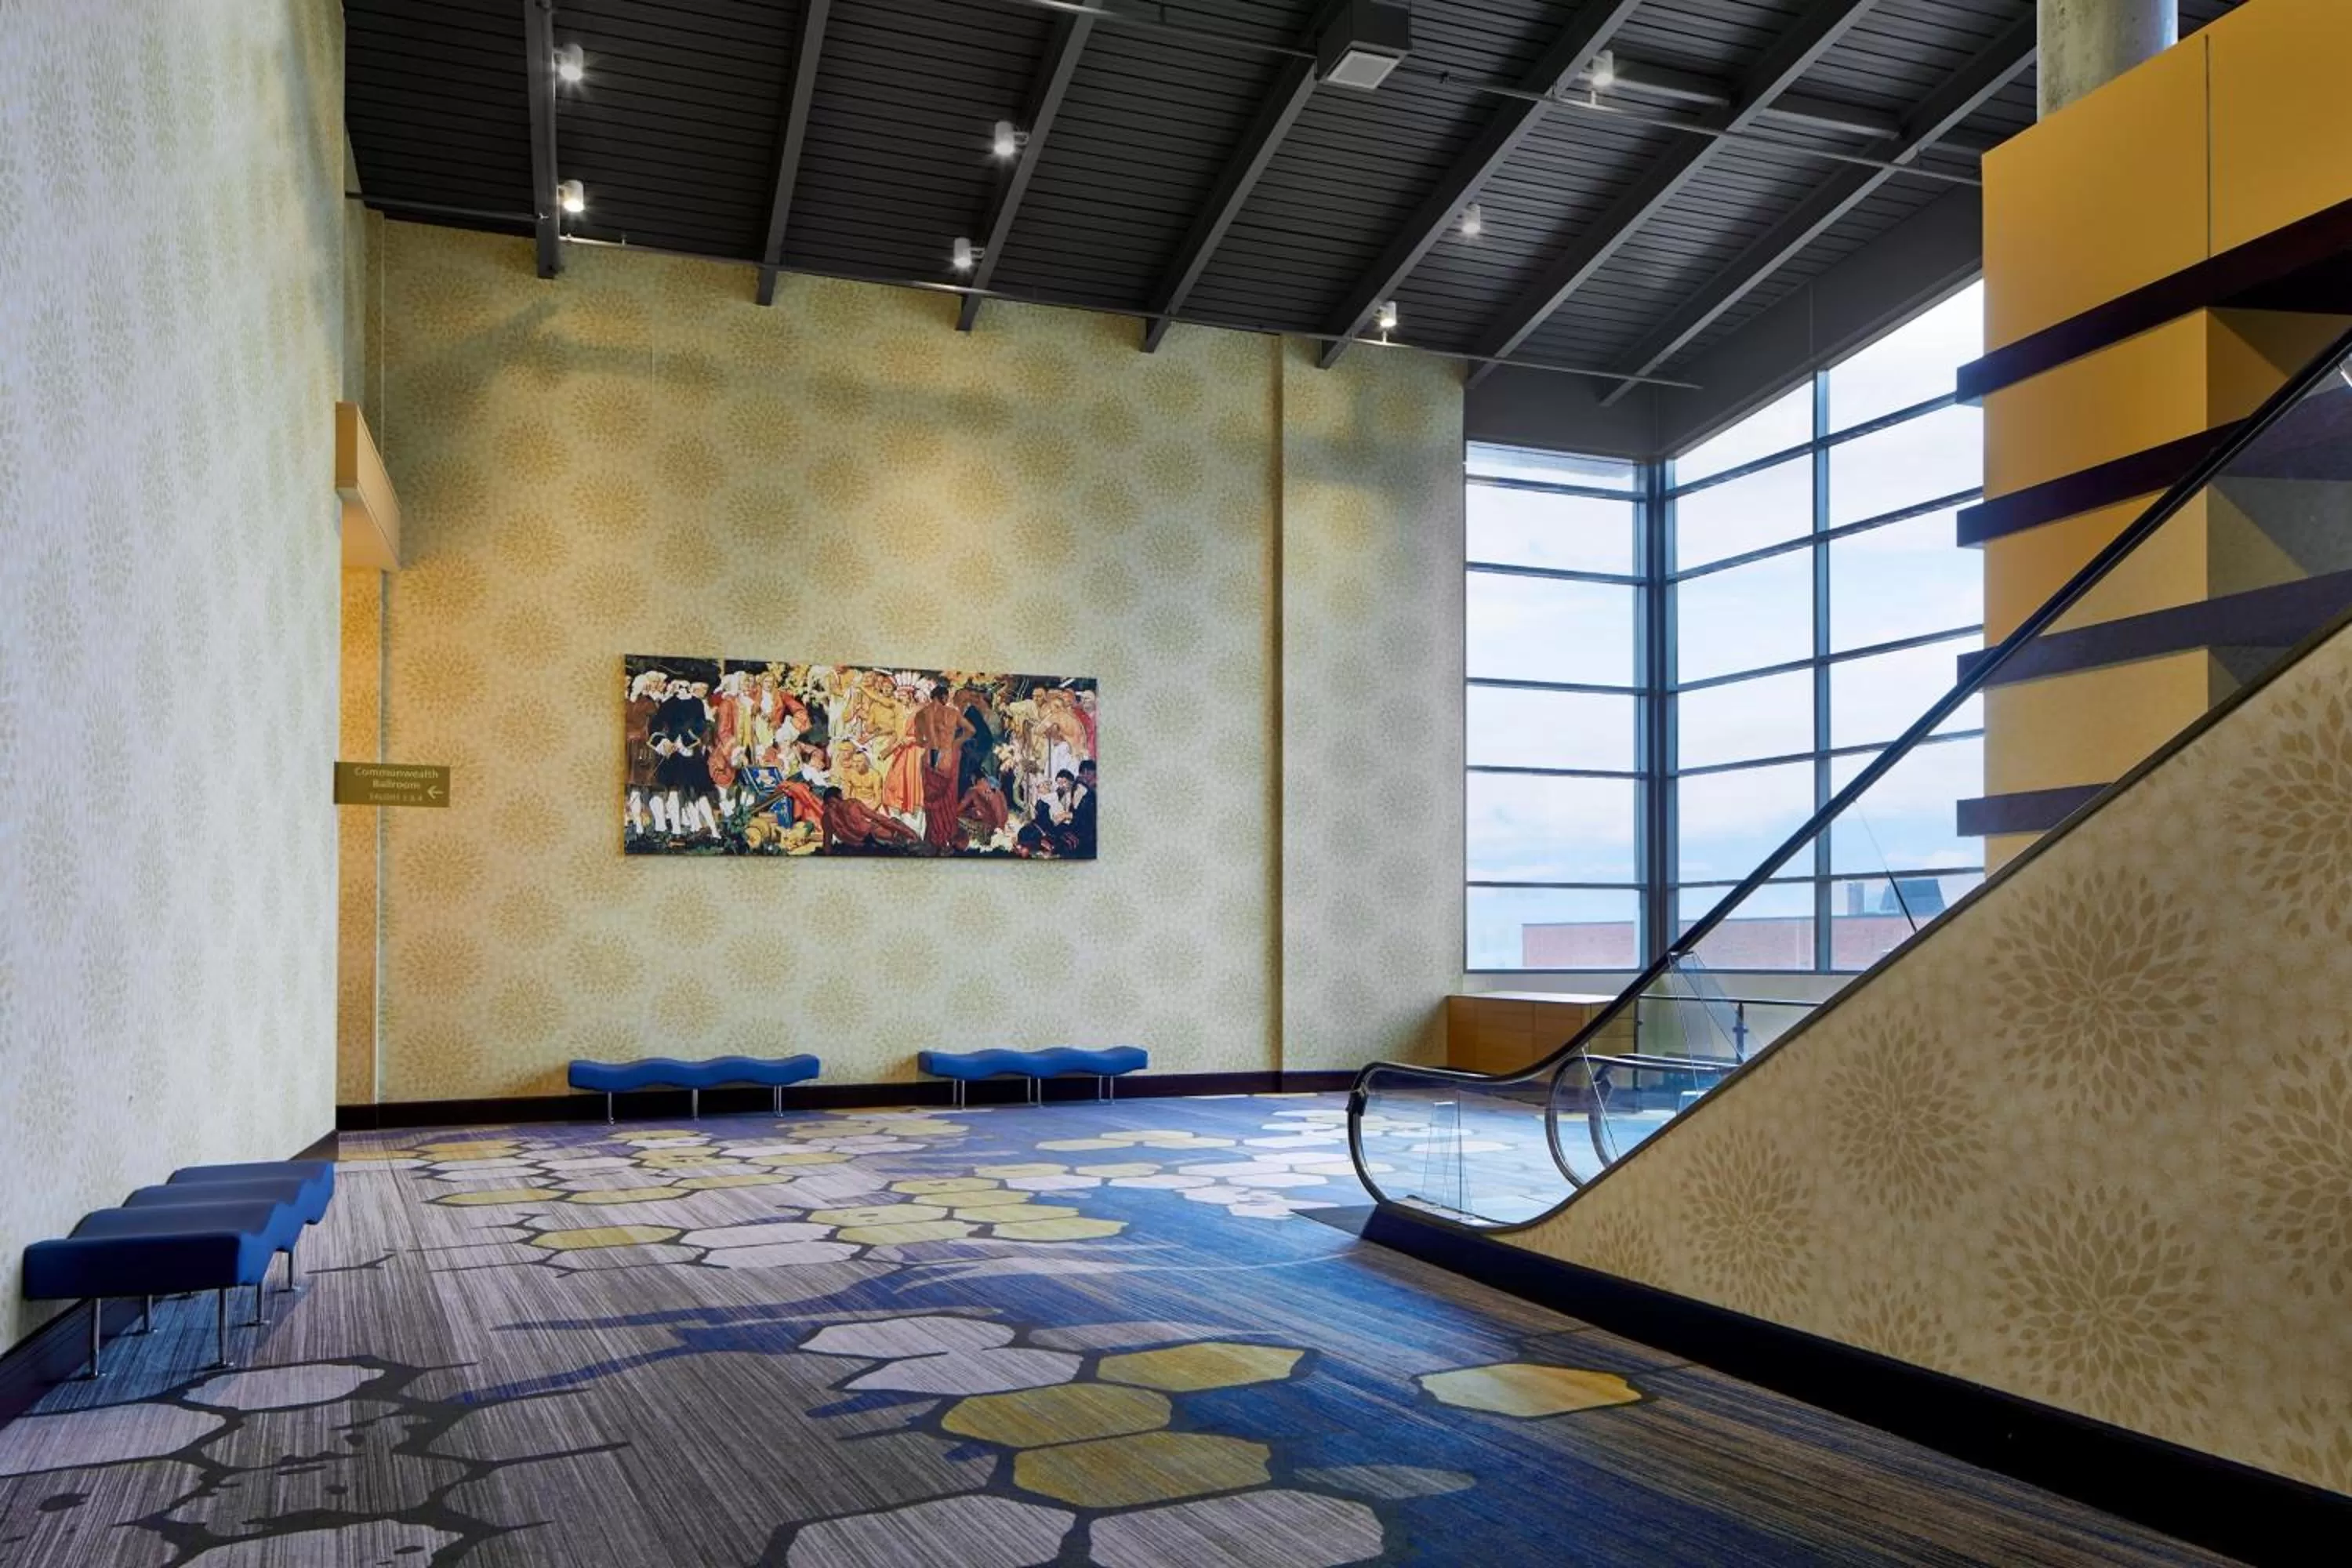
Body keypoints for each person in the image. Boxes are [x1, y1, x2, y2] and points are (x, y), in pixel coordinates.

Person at [822, 784, 922, 851]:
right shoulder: (851, 804)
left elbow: (827, 843)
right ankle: (913, 838)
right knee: (893, 821)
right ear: (839, 795)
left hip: (857, 844)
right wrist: (907, 832)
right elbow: (879, 818)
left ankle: (909, 840)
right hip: (875, 835)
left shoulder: (826, 818)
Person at [1069, 758, 1098, 858]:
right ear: (1085, 772)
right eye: (1093, 774)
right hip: (1083, 830)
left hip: (1083, 827)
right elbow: (1077, 808)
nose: (1094, 778)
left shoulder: (1082, 786)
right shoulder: (1081, 787)